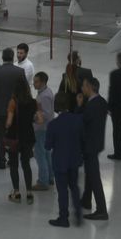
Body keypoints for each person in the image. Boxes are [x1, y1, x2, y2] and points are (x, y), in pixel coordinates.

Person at [45, 93, 83, 228]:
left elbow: (47, 146)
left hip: (60, 162)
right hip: (74, 160)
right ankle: (78, 214)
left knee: (62, 191)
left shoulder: (53, 125)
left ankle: (63, 218)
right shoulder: (78, 120)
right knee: (74, 187)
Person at [0, 48, 26, 169]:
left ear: (2, 57)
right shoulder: (20, 71)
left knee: (0, 136)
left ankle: (1, 160)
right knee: (13, 135)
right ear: (12, 57)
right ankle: (12, 159)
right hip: (14, 109)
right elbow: (24, 90)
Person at [78, 75, 109, 220]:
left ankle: (102, 209)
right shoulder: (101, 102)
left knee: (94, 177)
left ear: (90, 87)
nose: (82, 88)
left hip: (89, 145)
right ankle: (86, 199)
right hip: (97, 143)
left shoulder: (90, 106)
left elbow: (82, 123)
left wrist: (79, 107)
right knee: (90, 173)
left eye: (84, 86)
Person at [4, 76, 36, 204]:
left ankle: (16, 193)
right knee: (26, 163)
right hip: (28, 136)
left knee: (14, 165)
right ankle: (29, 193)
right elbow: (39, 119)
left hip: (14, 137)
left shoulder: (13, 102)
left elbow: (9, 122)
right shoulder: (33, 102)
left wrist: (5, 126)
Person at [31, 71, 54, 191]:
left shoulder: (44, 96)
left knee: (40, 154)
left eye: (36, 82)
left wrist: (33, 116)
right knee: (46, 153)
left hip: (41, 129)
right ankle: (50, 176)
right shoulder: (46, 92)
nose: (34, 84)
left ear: (43, 82)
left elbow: (45, 114)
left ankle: (43, 181)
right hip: (46, 128)